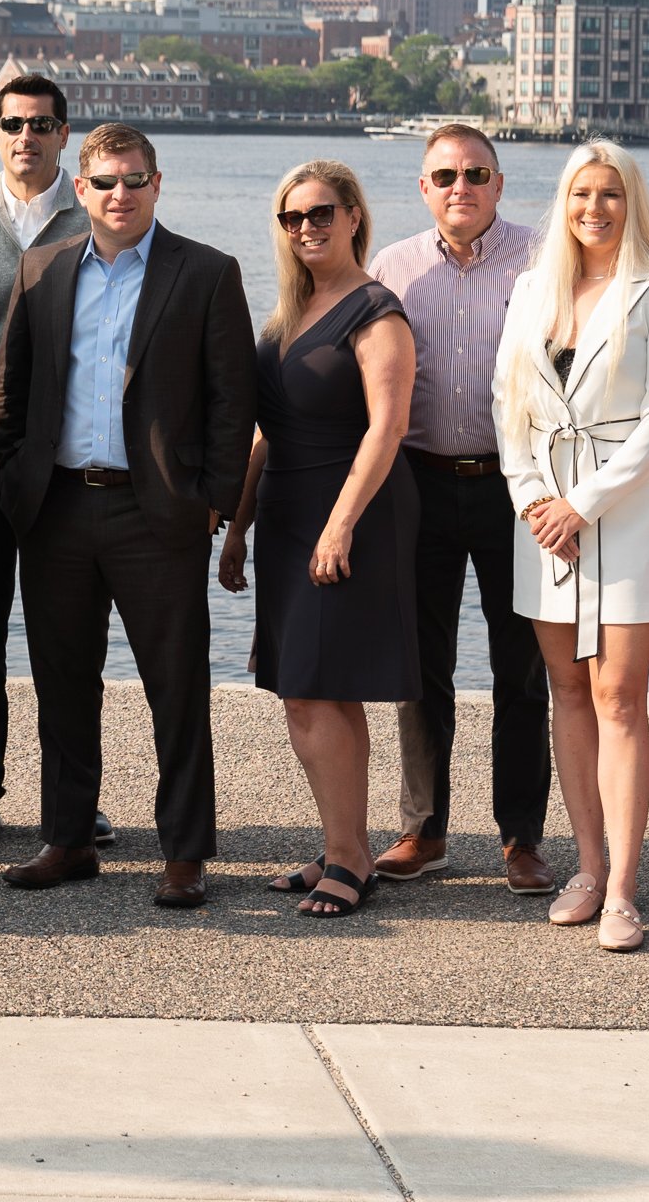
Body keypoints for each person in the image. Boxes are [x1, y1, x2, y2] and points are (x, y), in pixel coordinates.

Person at [0, 125, 252, 910]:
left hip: (158, 514)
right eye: (104, 181)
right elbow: (12, 389)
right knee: (62, 683)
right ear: (81, 189)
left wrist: (212, 502)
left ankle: (184, 852)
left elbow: (232, 402)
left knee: (177, 687)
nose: (120, 194)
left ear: (157, 184)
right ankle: (68, 839)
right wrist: (13, 480)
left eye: (134, 180)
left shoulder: (206, 272)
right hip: (58, 507)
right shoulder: (42, 269)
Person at [493, 140, 649, 955]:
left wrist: (583, 504)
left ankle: (622, 890)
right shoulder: (530, 290)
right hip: (543, 518)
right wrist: (534, 501)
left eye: (610, 193)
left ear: (630, 202)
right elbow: (508, 407)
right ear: (563, 202)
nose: (595, 208)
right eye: (582, 193)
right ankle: (586, 865)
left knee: (619, 696)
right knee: (567, 691)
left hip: (628, 514)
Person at [223, 160, 417, 920]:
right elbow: (266, 433)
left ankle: (349, 860)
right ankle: (347, 844)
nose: (307, 227)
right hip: (287, 515)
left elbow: (388, 429)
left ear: (354, 217)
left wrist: (340, 524)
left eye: (322, 213)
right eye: (292, 217)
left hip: (350, 514)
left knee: (312, 689)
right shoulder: (289, 313)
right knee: (315, 689)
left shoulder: (377, 311)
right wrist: (238, 526)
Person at [369, 124, 553, 895]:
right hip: (418, 481)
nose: (461, 187)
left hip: (518, 486)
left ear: (499, 184)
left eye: (477, 174)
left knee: (523, 667)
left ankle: (522, 838)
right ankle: (424, 830)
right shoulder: (391, 268)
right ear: (424, 188)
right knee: (421, 665)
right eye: (445, 176)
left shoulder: (544, 260)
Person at [0, 72, 92, 847]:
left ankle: (74, 793)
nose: (26, 137)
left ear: (64, 134)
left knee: (68, 640)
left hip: (71, 469)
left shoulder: (98, 219)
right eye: (13, 124)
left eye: (41, 124)